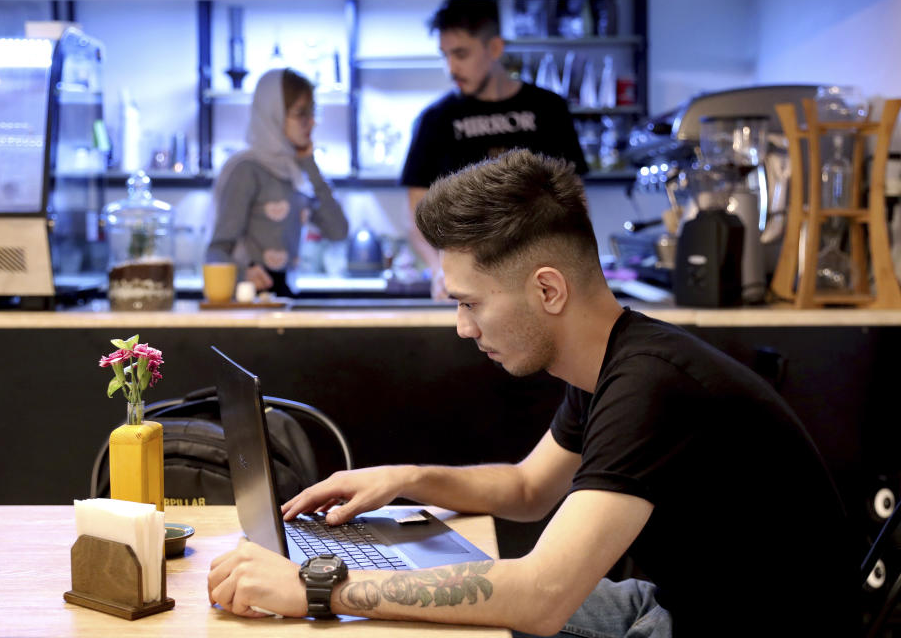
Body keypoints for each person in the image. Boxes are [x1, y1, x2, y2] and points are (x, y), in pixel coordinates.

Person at [207, 150, 856, 637]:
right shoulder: (611, 359)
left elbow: (543, 596)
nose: (463, 327)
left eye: (470, 303)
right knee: (422, 602)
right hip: (674, 602)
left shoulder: (655, 388)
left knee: (416, 606)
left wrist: (320, 585)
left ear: (548, 290)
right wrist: (403, 478)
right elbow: (528, 489)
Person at [400, 0, 588, 299]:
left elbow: (574, 200)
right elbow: (416, 212)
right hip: (467, 284)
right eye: (445, 55)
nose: (451, 67)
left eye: (461, 54)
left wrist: (573, 267)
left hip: (539, 282)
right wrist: (439, 270)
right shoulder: (435, 121)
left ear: (495, 48)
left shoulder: (548, 109)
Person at [207, 68, 348, 297]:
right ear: (273, 113)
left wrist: (309, 163)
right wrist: (242, 274)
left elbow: (338, 231)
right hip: (249, 298)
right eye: (301, 113)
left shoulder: (297, 172)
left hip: (285, 293)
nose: (311, 123)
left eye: (313, 112)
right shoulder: (247, 169)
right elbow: (216, 250)